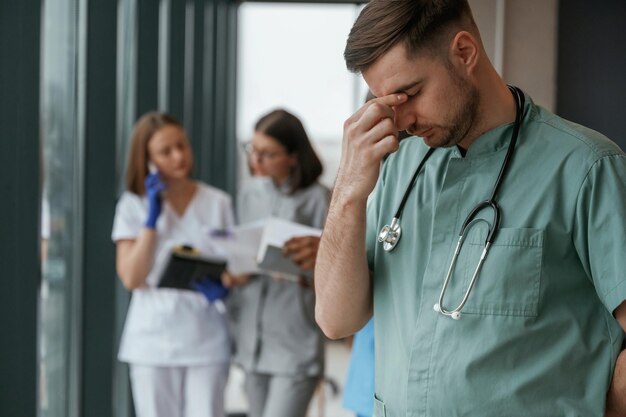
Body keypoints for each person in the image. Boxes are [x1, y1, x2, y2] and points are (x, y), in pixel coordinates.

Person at [314, 1, 626, 416]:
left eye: (410, 94)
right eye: (386, 102)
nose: (401, 119)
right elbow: (336, 320)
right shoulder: (399, 170)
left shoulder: (586, 168)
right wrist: (348, 191)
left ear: (464, 52)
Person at [111, 112, 234, 417]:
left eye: (182, 145)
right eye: (166, 152)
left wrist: (224, 288)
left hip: (205, 338)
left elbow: (233, 266)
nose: (179, 156)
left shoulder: (217, 201)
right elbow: (131, 277)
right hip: (152, 342)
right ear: (148, 159)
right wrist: (151, 220)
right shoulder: (132, 205)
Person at [227, 109, 329, 417]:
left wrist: (307, 271)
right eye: (252, 150)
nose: (255, 161)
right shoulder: (248, 194)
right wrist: (234, 271)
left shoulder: (319, 199)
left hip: (294, 342)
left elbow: (336, 271)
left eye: (267, 154)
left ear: (293, 156)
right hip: (251, 340)